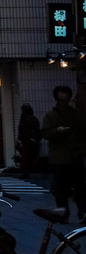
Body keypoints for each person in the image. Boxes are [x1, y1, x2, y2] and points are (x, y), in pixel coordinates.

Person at [42, 85, 86, 221]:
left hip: (75, 157)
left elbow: (83, 134)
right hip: (59, 158)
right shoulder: (51, 116)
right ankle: (63, 214)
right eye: (61, 100)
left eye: (66, 100)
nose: (64, 103)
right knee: (61, 189)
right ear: (56, 99)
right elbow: (44, 133)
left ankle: (83, 212)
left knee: (80, 187)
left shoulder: (76, 114)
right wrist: (57, 131)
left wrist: (81, 151)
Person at [20, 104, 42, 175]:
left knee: (25, 157)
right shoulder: (34, 119)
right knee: (32, 156)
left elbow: (21, 129)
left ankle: (25, 172)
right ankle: (38, 168)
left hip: (26, 139)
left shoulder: (23, 119)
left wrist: (19, 139)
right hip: (33, 139)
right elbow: (37, 130)